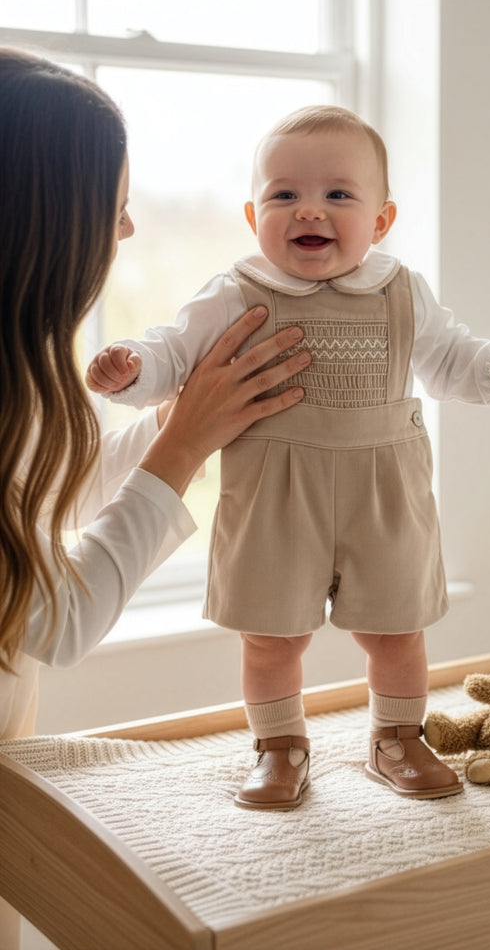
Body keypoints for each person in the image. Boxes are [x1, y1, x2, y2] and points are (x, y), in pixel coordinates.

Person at [87, 105, 490, 811]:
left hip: (383, 485)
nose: (310, 209)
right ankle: (279, 745)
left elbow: (453, 358)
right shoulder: (236, 291)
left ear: (381, 220)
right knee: (271, 637)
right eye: (284, 195)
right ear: (253, 216)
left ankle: (396, 735)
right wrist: (134, 367)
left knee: (398, 628)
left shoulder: (400, 291)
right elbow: (173, 354)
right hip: (275, 485)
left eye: (338, 194)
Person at [0, 49, 311, 944]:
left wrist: (194, 407)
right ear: (45, 218)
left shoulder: (21, 379)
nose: (128, 232)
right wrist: (182, 443)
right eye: (115, 205)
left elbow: (48, 494)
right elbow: (53, 618)